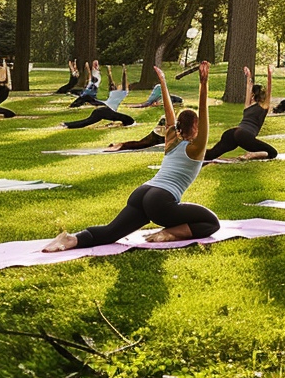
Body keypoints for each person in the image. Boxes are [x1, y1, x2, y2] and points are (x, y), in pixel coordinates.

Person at [44, 63, 218, 250]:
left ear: (179, 127)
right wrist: (203, 84)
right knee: (211, 223)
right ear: (196, 128)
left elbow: (169, 114)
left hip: (142, 192)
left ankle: (71, 239)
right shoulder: (196, 148)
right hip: (162, 201)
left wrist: (163, 83)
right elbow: (204, 114)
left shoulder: (171, 139)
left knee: (111, 232)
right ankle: (168, 233)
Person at [204, 64, 277, 161]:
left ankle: (189, 151)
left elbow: (248, 86)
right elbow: (269, 89)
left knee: (210, 154)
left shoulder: (247, 105)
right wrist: (269, 75)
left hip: (232, 132)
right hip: (244, 135)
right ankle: (250, 155)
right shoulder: (263, 106)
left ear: (252, 95)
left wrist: (248, 75)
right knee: (272, 153)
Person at [64, 66, 134, 128]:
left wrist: (109, 71)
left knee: (87, 121)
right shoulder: (123, 92)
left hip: (103, 109)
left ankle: (67, 124)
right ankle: (67, 125)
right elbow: (121, 82)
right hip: (105, 110)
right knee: (130, 120)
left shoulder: (114, 90)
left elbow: (112, 81)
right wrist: (123, 71)